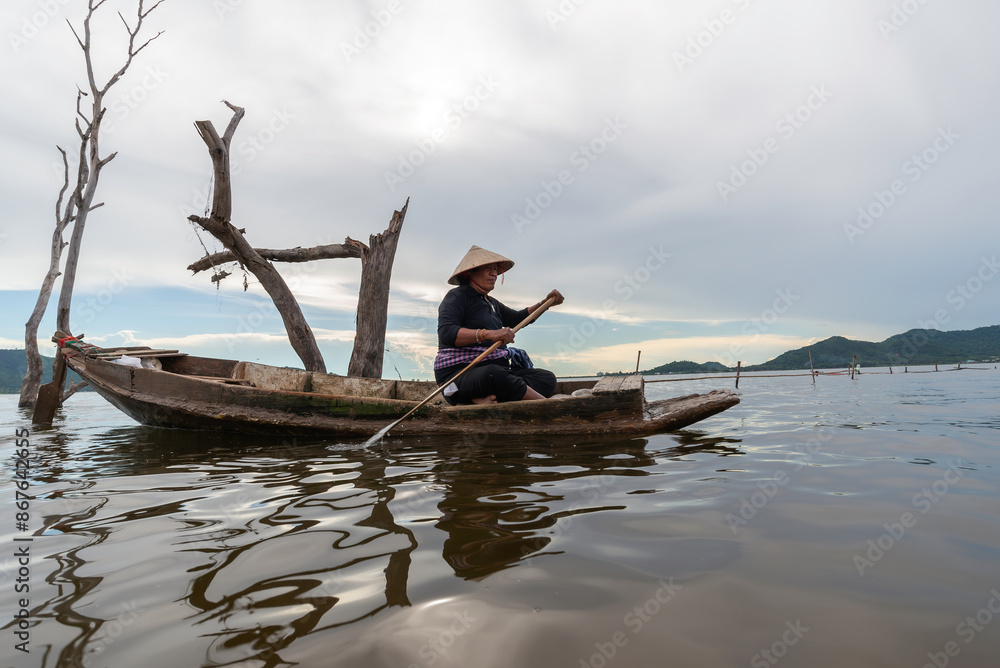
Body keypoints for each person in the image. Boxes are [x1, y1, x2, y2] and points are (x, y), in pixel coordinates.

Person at [434, 245, 564, 405]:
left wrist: (545, 304)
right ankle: (549, 406)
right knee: (495, 374)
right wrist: (489, 334)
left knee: (545, 378)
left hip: (493, 373)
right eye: (488, 269)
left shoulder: (491, 302)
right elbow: (447, 333)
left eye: (495, 269)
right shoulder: (456, 297)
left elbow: (518, 318)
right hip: (458, 376)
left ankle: (482, 400)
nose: (494, 274)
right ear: (470, 273)